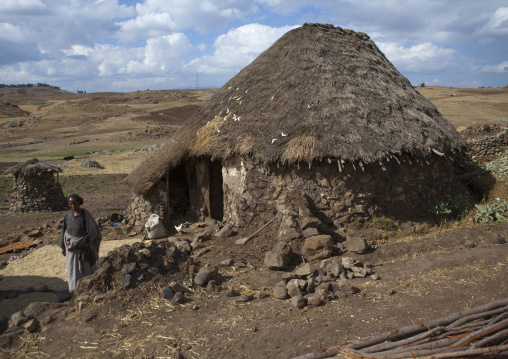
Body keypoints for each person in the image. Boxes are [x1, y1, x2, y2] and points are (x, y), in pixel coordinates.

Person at [60, 194, 102, 293]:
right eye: (70, 204)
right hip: (72, 248)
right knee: (72, 270)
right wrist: (63, 246)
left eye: (75, 203)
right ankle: (74, 291)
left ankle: (87, 289)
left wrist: (84, 241)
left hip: (84, 248)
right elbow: (64, 231)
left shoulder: (85, 214)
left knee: (86, 269)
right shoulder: (68, 215)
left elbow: (93, 231)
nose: (73, 206)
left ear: (79, 202)